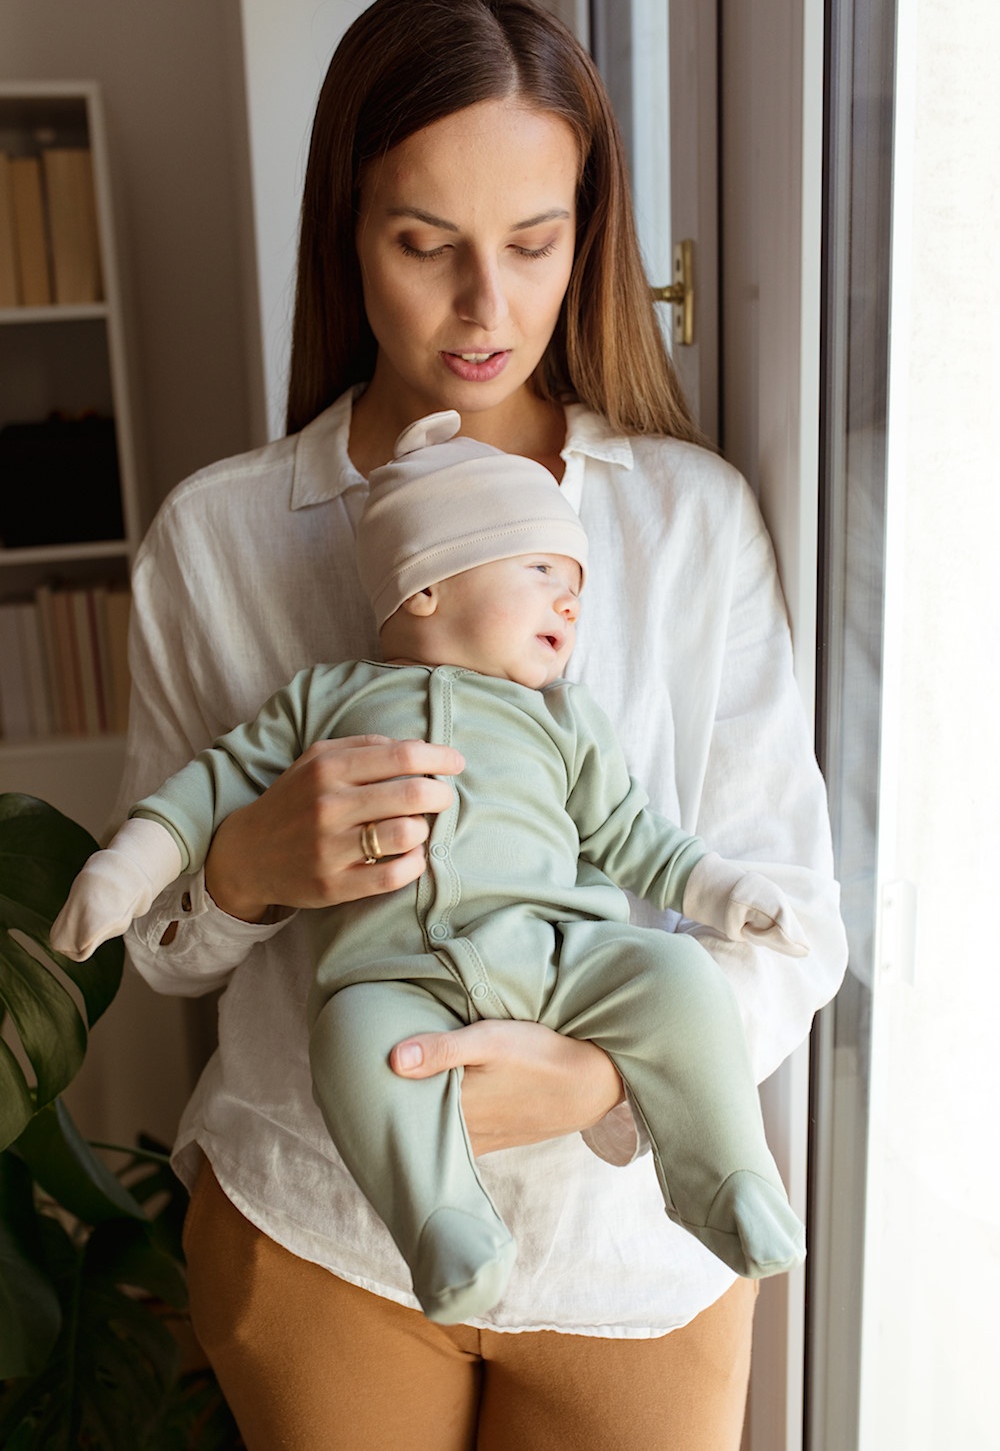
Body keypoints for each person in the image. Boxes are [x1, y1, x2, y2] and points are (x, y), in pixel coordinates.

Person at [106, 0, 847, 1450]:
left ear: (592, 234)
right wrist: (249, 868)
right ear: (347, 232)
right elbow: (161, 950)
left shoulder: (691, 522)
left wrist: (596, 1083)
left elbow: (794, 920)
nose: (484, 307)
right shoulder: (220, 536)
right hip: (322, 1226)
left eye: (534, 241)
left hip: (636, 1255)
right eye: (424, 243)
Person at [54, 411, 813, 1322]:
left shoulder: (564, 719)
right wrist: (123, 871)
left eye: (575, 584)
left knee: (678, 976)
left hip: (559, 960)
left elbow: (634, 837)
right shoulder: (321, 702)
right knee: (354, 1045)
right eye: (540, 571)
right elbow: (201, 793)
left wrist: (725, 894)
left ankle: (722, 1173)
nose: (569, 602)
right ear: (424, 587)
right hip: (393, 979)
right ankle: (443, 1224)